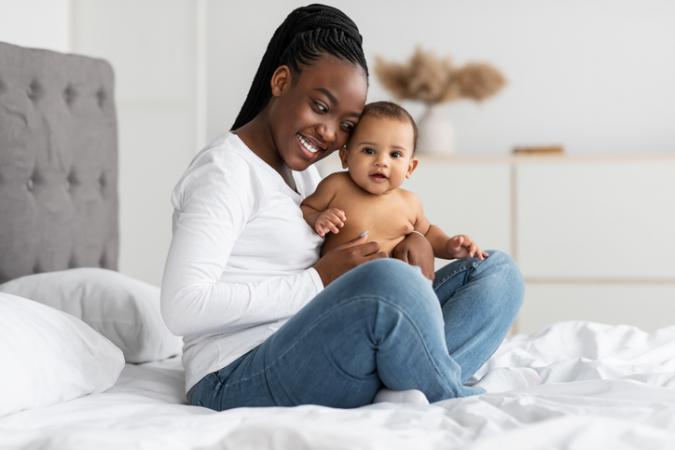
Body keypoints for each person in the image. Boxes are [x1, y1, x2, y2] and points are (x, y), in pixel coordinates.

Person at [161, 3, 523, 411]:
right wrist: (320, 281)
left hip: (326, 344)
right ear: (281, 81)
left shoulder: (304, 174)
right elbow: (182, 308)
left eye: (347, 125)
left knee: (495, 272)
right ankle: (442, 390)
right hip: (236, 373)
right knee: (390, 283)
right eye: (320, 107)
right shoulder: (224, 172)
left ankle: (408, 378)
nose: (330, 134)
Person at [302, 100, 489, 262]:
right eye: (369, 151)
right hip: (347, 288)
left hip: (397, 286)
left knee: (495, 263)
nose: (382, 162)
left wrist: (449, 246)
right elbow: (306, 209)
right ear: (345, 157)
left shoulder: (410, 203)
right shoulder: (336, 186)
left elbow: (428, 233)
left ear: (410, 168)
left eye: (395, 154)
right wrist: (317, 218)